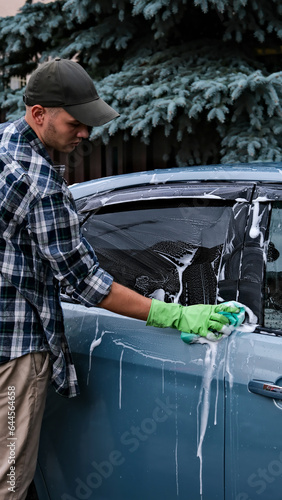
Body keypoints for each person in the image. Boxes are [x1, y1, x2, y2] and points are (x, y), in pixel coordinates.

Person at [0, 58, 240, 499]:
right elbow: (87, 283)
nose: (86, 134)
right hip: (11, 359)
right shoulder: (40, 183)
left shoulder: (3, 145)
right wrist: (174, 314)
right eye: (76, 122)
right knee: (8, 482)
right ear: (39, 114)